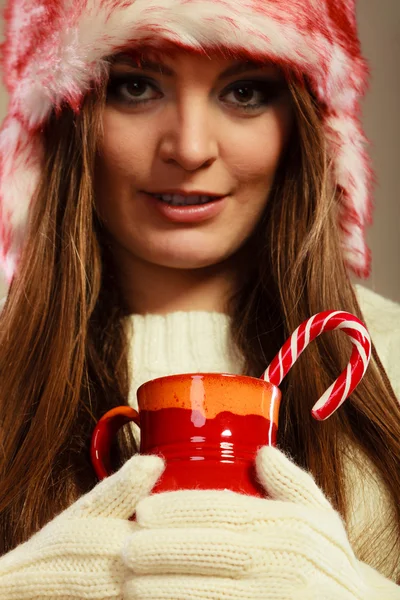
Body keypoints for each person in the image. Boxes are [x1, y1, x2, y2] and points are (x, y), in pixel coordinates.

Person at [0, 0, 399, 598]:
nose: (189, 149)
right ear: (61, 116)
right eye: (135, 86)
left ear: (307, 123)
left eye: (245, 93)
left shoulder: (386, 356)